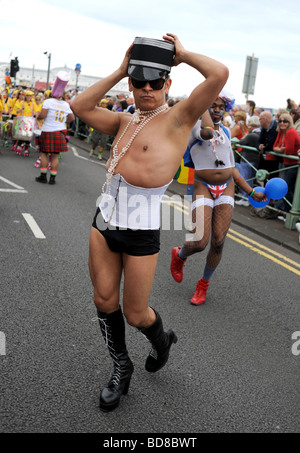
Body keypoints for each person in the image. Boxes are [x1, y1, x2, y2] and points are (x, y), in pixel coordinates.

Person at [71, 33, 229, 412]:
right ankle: (121, 367)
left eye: (155, 82)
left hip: (142, 228)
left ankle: (162, 340)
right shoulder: (124, 121)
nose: (146, 88)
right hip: (103, 221)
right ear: (131, 83)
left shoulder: (180, 118)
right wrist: (120, 69)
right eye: (138, 81)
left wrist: (185, 54)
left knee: (135, 311)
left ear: (167, 83)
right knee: (102, 299)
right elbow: (79, 105)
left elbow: (219, 74)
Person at [170, 92, 267, 306]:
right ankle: (180, 255)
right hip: (203, 186)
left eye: (220, 105)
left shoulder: (225, 131)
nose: (216, 109)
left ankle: (203, 285)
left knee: (218, 241)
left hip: (226, 188)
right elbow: (205, 133)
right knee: (200, 242)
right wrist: (202, 105)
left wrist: (251, 192)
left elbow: (232, 168)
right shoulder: (195, 127)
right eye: (211, 105)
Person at [35, 90, 74, 185]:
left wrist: (38, 117)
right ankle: (52, 178)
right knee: (55, 156)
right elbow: (72, 118)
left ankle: (43, 176)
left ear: (52, 94)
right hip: (60, 131)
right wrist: (64, 121)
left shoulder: (48, 101)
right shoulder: (65, 104)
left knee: (44, 153)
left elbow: (43, 115)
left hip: (48, 130)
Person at [272, 113, 300, 213]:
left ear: (290, 122)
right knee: (286, 188)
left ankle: (289, 212)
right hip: (286, 163)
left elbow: (288, 151)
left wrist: (279, 149)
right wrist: (281, 149)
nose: (282, 123)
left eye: (285, 121)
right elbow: (274, 147)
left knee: (286, 189)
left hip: (293, 164)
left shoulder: (290, 132)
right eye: (280, 121)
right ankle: (286, 211)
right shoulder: (281, 132)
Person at [235, 115, 261, 206]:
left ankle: (245, 198)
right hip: (254, 160)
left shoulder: (252, 135)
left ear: (252, 125)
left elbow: (240, 142)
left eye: (249, 124)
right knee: (249, 179)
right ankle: (247, 198)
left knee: (245, 179)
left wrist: (246, 133)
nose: (248, 126)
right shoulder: (259, 134)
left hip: (247, 159)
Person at [257, 110, 279, 175]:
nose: (259, 121)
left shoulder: (276, 128)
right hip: (265, 159)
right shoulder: (264, 128)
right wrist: (259, 146)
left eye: (260, 119)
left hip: (275, 160)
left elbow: (271, 145)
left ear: (265, 119)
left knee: (272, 179)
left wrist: (262, 147)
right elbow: (259, 142)